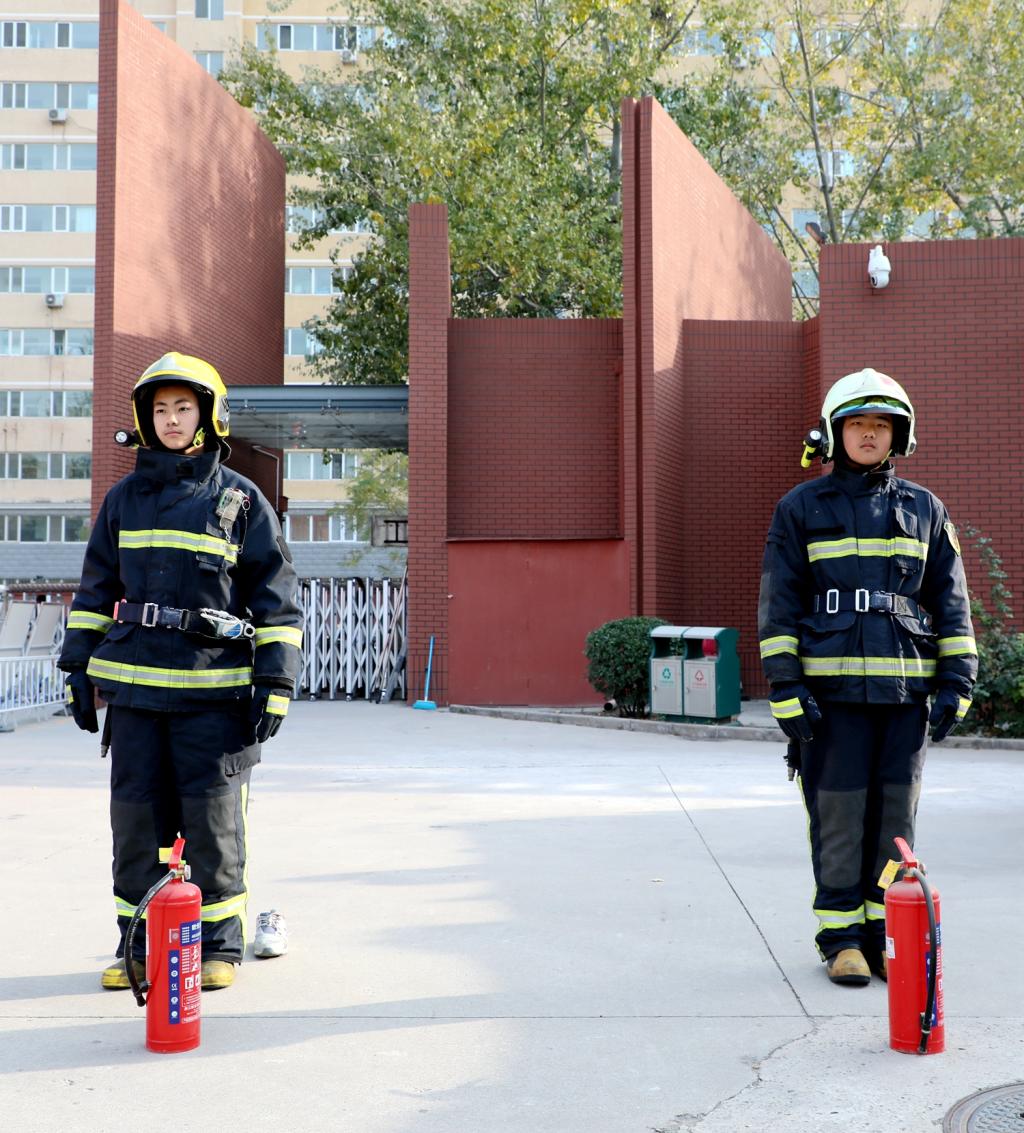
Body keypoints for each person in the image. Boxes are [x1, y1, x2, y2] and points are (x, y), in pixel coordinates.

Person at [59, 352, 303, 991]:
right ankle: (138, 948)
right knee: (136, 830)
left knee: (213, 829)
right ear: (146, 418)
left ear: (208, 415)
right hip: (137, 699)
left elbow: (276, 601)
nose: (171, 419)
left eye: (183, 408)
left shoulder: (239, 500)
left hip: (215, 702)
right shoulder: (123, 500)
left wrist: (276, 682)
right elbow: (95, 590)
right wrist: (76, 665)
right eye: (161, 409)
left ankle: (219, 948)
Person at [757, 368, 976, 986]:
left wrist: (957, 682)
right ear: (835, 433)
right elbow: (778, 604)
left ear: (899, 434)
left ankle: (884, 935)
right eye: (857, 423)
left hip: (905, 696)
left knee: (895, 822)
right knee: (839, 817)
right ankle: (841, 939)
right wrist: (785, 687)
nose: (870, 434)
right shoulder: (800, 508)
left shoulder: (926, 510)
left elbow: (951, 602)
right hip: (831, 699)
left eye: (882, 424)